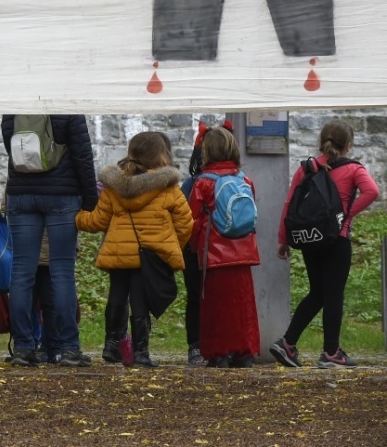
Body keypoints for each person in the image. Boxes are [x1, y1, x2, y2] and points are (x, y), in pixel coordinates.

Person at [76, 131, 193, 368]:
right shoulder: (169, 188)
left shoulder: (114, 187)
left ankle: (111, 345)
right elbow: (185, 223)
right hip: (148, 257)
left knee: (117, 297)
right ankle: (140, 353)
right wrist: (168, 246)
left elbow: (98, 221)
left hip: (119, 256)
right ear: (162, 156)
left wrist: (77, 218)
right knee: (140, 303)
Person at [271, 119, 380, 369]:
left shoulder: (307, 168)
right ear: (349, 145)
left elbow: (289, 203)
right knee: (333, 295)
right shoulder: (353, 169)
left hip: (311, 239)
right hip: (337, 239)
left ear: (321, 142)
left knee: (318, 292)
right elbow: (372, 191)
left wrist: (283, 239)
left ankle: (287, 343)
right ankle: (331, 352)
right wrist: (347, 214)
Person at [1, 114, 98, 367]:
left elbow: (11, 147)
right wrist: (89, 200)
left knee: (22, 272)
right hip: (62, 195)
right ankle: (68, 348)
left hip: (21, 194)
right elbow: (82, 156)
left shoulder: (13, 108)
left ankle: (23, 347)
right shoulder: (68, 109)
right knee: (62, 271)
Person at [187, 127, 260, 368]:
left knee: (215, 307)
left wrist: (193, 248)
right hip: (244, 252)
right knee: (243, 305)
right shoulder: (244, 180)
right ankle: (245, 352)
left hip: (215, 255)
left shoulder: (203, 183)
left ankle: (219, 354)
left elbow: (194, 221)